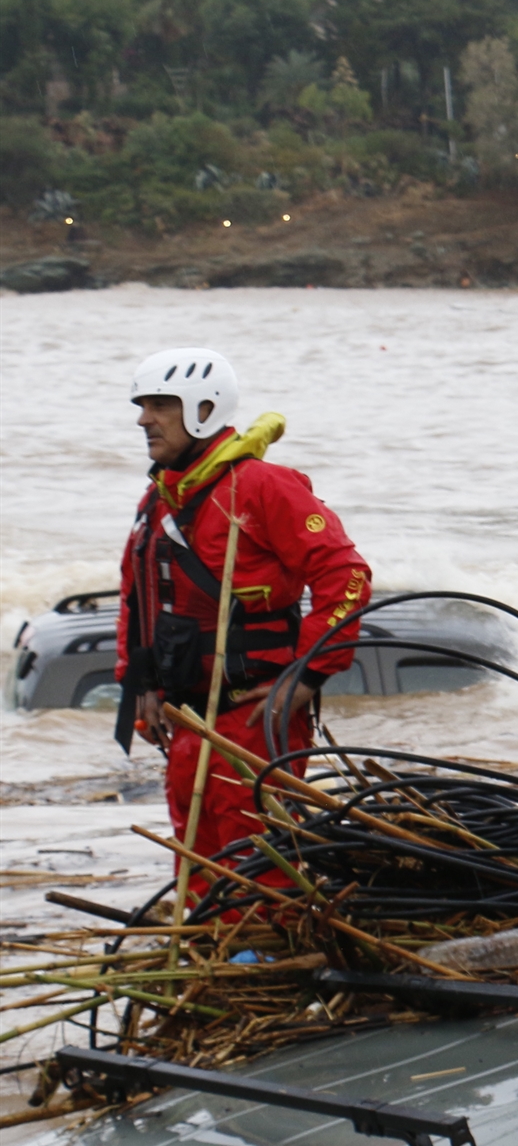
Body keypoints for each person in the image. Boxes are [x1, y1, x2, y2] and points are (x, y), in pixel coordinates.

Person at [117, 348, 371, 864]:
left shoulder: (261, 487)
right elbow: (135, 594)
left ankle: (264, 923)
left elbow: (345, 574)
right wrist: (139, 684)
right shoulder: (160, 498)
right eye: (142, 406)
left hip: (254, 717)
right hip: (187, 718)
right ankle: (208, 922)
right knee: (198, 864)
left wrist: (309, 673)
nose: (144, 419)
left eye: (161, 405)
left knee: (259, 866)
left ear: (203, 409)